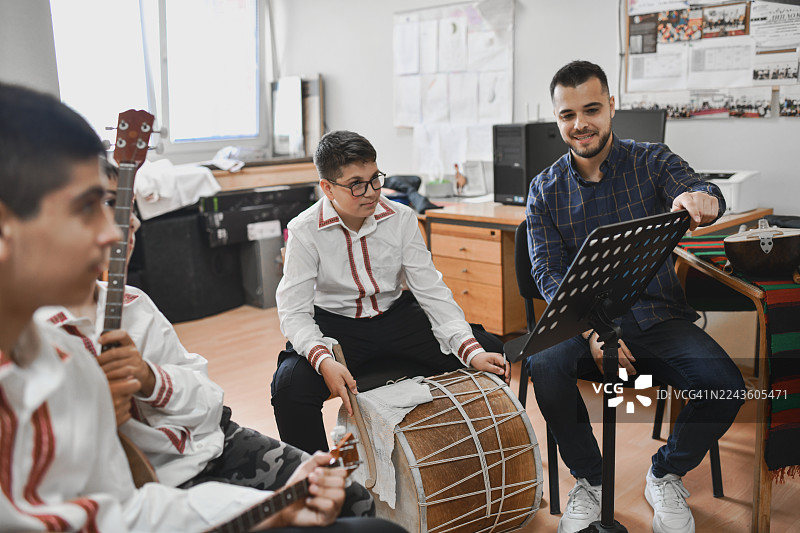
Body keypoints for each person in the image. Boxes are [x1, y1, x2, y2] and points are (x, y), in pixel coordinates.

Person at [0, 81, 403, 533]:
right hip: (171, 475)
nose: (118, 231)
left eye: (119, 208)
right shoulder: (57, 358)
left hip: (207, 449)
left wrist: (268, 510)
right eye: (87, 208)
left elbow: (129, 504)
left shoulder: (75, 342)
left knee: (358, 506)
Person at [34, 159, 375, 518]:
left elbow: (208, 401)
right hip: (157, 483)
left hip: (212, 443)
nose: (130, 221)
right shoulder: (34, 335)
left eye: (129, 206)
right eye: (107, 203)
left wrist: (151, 379)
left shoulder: (135, 304)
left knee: (353, 499)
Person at [523, 61, 745, 533]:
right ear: (556, 118)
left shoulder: (652, 159)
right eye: (567, 115)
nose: (580, 124)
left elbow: (703, 190)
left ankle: (665, 472)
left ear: (612, 108)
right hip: (585, 323)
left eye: (591, 109)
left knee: (725, 386)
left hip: (657, 317)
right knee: (543, 364)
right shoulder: (543, 189)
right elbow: (547, 272)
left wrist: (701, 199)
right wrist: (587, 332)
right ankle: (592, 479)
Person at [271, 130, 509, 454]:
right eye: (356, 184)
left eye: (375, 179)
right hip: (336, 326)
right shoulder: (304, 230)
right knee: (289, 388)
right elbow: (294, 311)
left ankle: (481, 459)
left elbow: (431, 290)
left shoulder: (401, 217)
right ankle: (321, 492)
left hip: (396, 315)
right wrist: (324, 360)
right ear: (327, 188)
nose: (370, 193)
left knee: (490, 350)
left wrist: (470, 350)